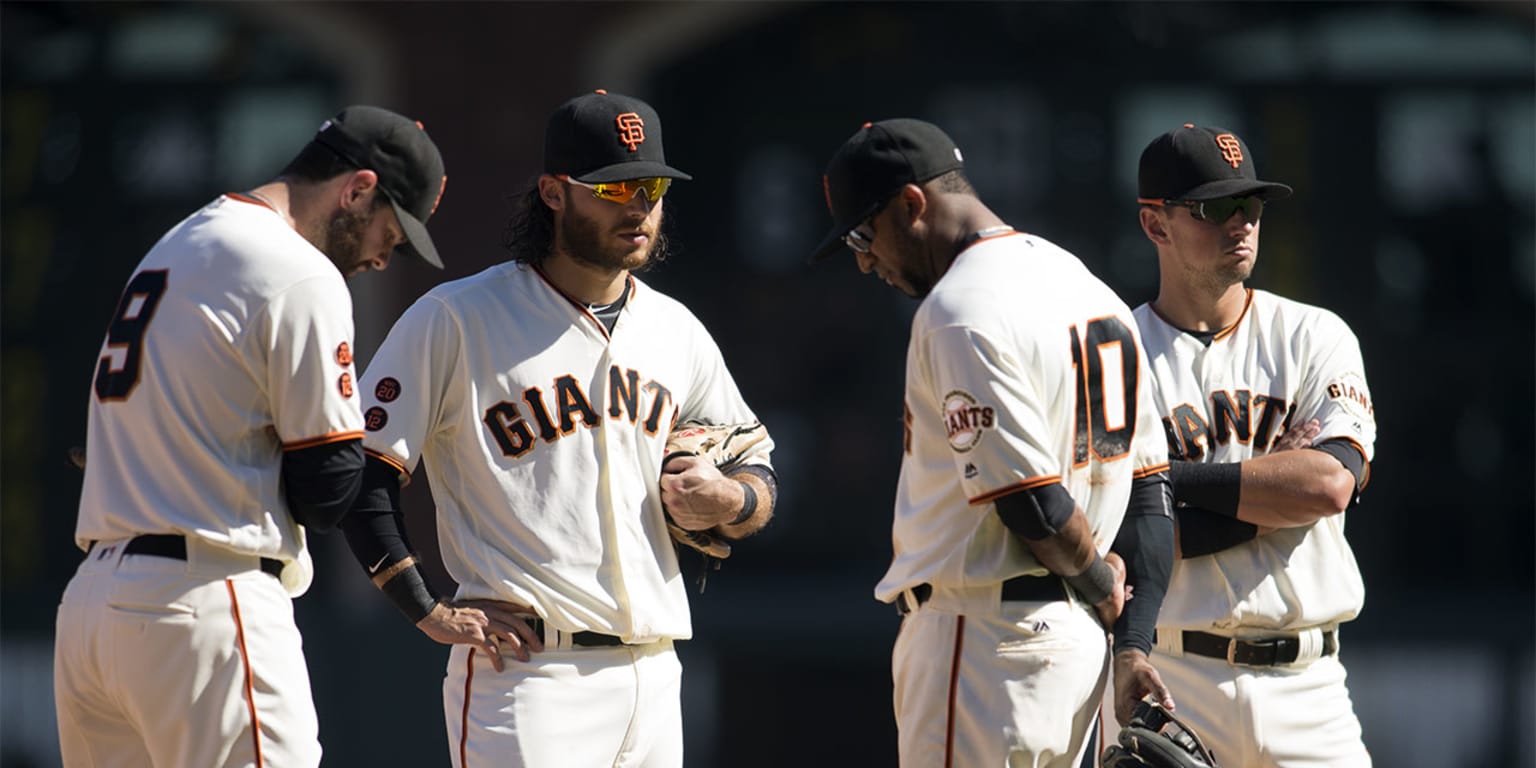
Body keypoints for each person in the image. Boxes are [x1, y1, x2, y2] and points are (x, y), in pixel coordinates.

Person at [337, 89, 778, 768]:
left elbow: (758, 471)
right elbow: (363, 471)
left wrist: (731, 499)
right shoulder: (457, 317)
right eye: (614, 187)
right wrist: (423, 606)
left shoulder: (676, 329)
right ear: (553, 192)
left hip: (655, 673)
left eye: (652, 186)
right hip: (528, 675)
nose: (638, 205)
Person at [54, 105, 449, 767]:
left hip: (94, 607)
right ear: (357, 189)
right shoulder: (298, 269)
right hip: (204, 602)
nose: (387, 256)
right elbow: (328, 493)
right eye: (393, 231)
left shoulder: (185, 239)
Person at [809, 118, 1175, 767]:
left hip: (982, 644)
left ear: (912, 205)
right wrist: (1132, 643)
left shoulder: (960, 308)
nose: (864, 259)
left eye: (864, 234)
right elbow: (1151, 496)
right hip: (1075, 651)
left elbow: (1033, 504)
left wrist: (1101, 588)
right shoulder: (1091, 288)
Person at [1126, 123, 1377, 766]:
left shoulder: (1314, 335)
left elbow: (1327, 485)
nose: (1240, 223)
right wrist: (1269, 484)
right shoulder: (1116, 353)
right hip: (1173, 681)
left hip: (1309, 686)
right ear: (1156, 225)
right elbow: (1125, 539)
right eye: (1215, 207)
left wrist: (1161, 481)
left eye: (1251, 205)